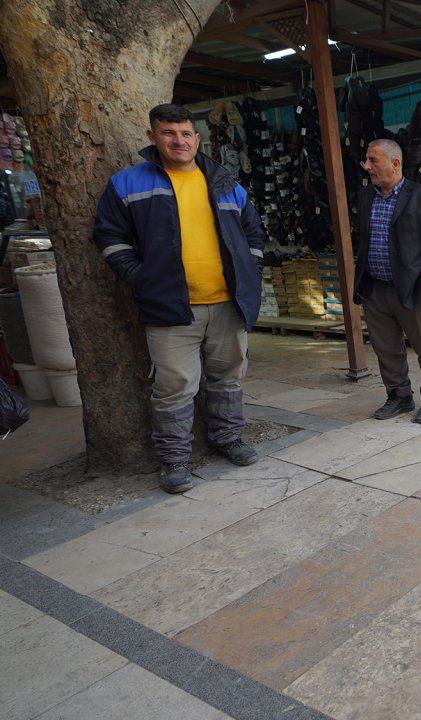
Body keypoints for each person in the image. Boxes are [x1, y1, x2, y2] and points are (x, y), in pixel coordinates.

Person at [92, 104, 264, 493]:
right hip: (169, 307)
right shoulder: (128, 183)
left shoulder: (223, 182)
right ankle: (174, 460)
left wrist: (249, 271)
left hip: (227, 303)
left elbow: (253, 231)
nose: (179, 141)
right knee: (174, 386)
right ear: (153, 138)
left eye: (186, 133)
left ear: (197, 138)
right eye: (169, 133)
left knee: (229, 377)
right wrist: (141, 277)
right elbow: (109, 236)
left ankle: (227, 439)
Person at [353, 139, 421, 424]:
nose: (366, 166)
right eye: (366, 160)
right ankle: (399, 396)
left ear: (395, 164)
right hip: (376, 288)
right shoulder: (366, 196)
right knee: (386, 348)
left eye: (373, 160)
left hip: (414, 287)